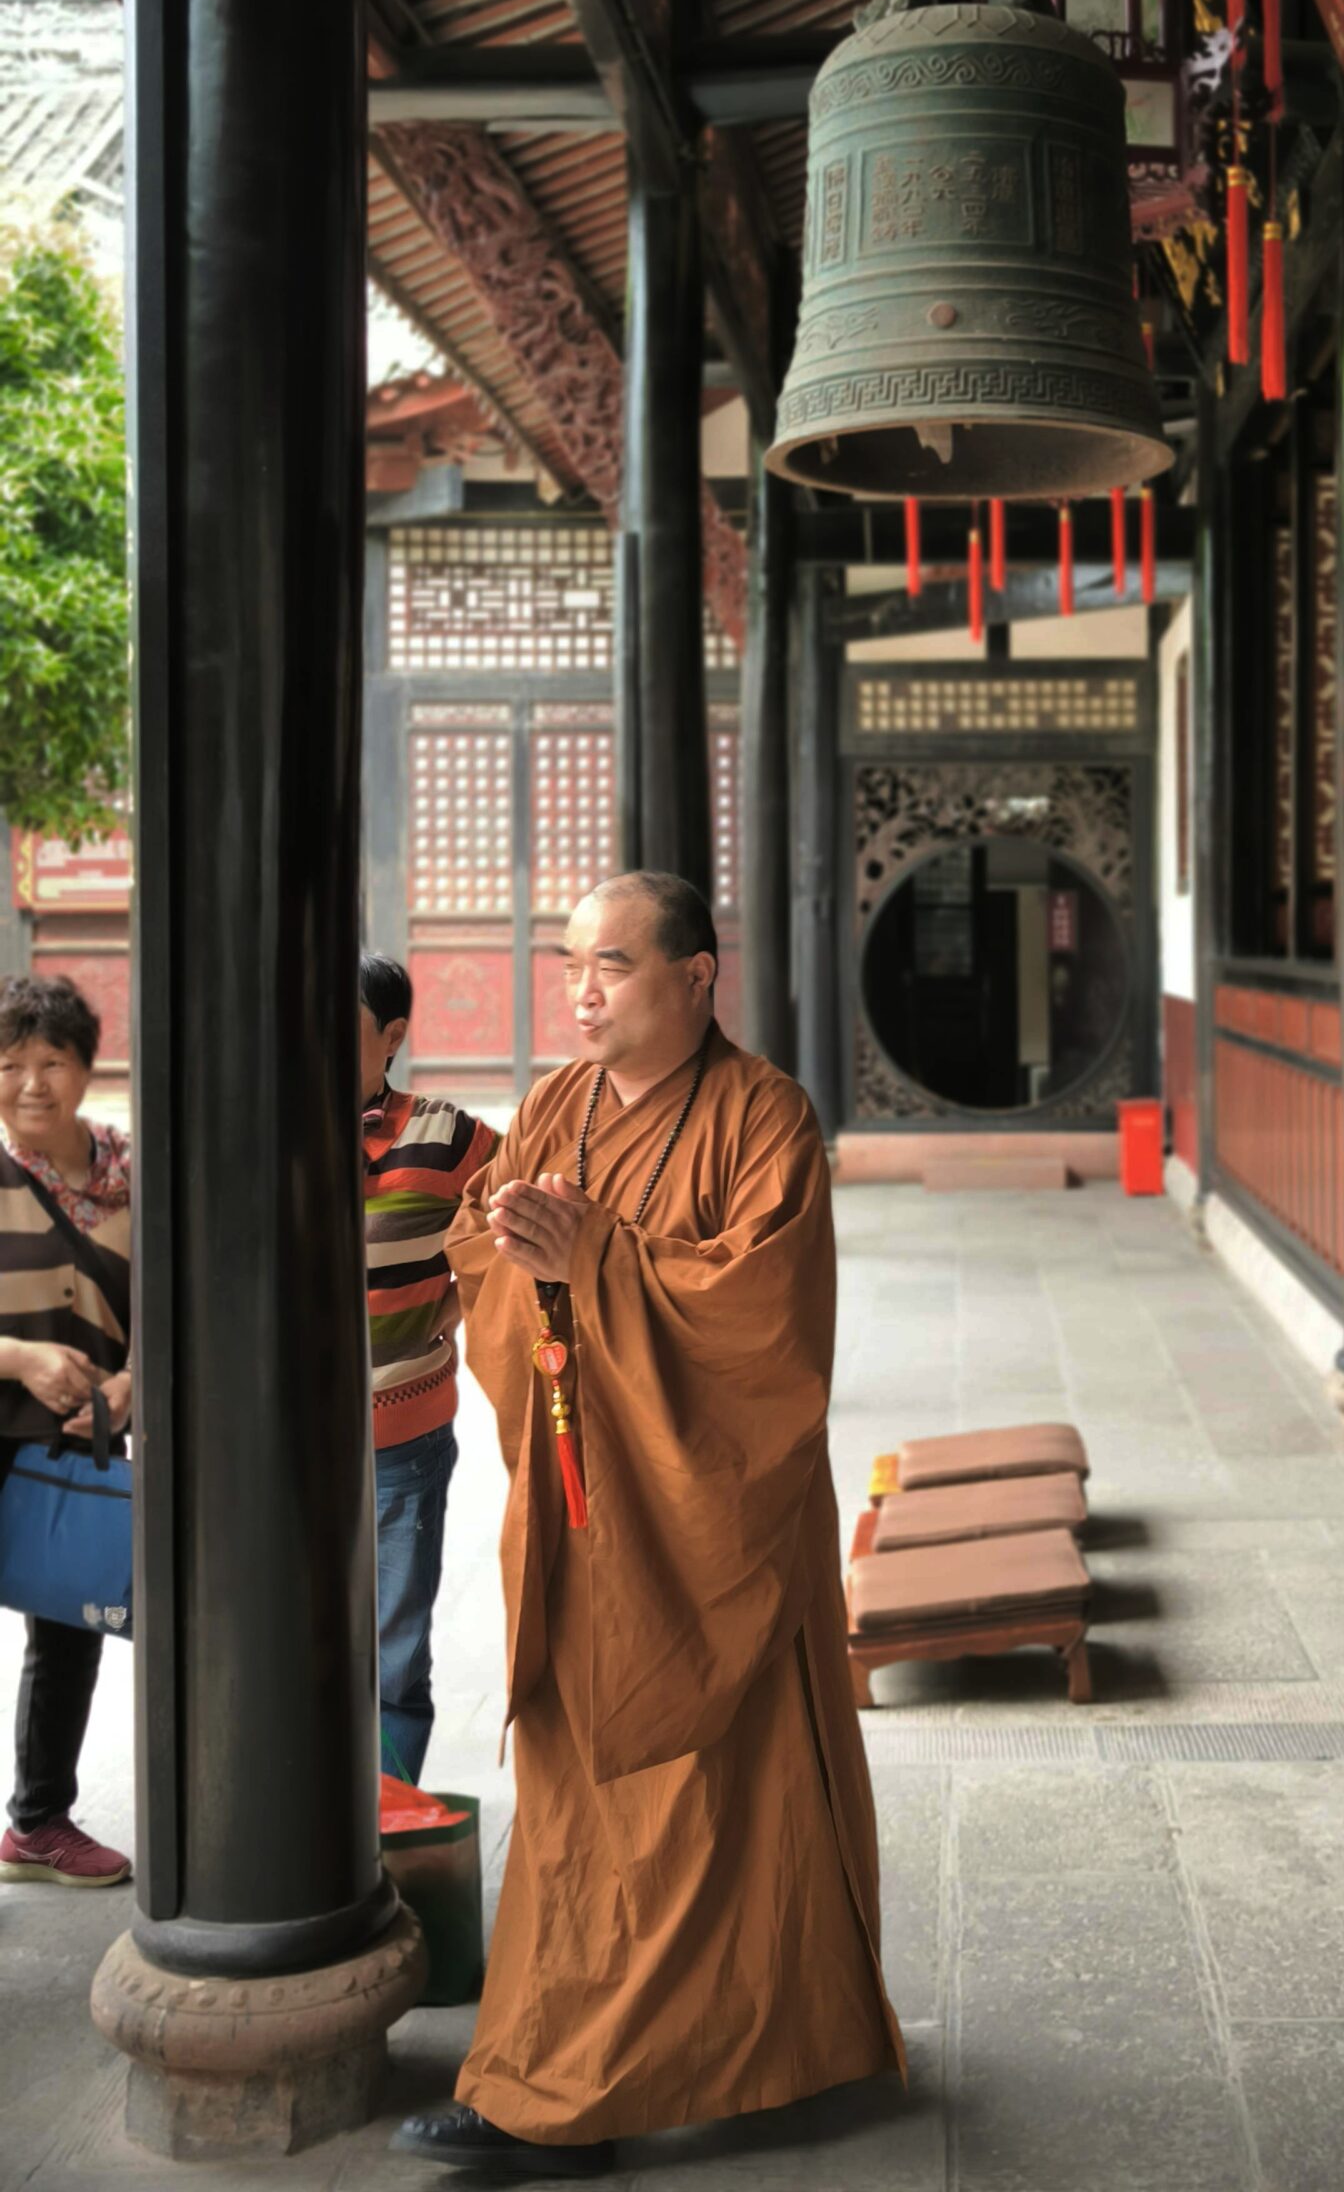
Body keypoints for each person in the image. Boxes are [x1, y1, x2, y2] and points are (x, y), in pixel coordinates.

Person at [393, 872, 902, 2177]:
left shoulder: (763, 1117)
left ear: (696, 977)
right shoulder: (557, 1104)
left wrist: (597, 1264)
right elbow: (482, 1252)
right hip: (584, 1515)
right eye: (572, 965)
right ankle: (596, 2059)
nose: (581, 990)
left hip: (722, 1516)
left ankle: (572, 2103)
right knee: (583, 1800)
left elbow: (768, 1330)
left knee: (734, 1802)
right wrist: (508, 1246)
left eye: (612, 965)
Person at [0, 975, 132, 1888]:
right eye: (10, 1066)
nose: (31, 1084)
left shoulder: (138, 1181)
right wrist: (21, 1360)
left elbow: (187, 1308)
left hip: (79, 1443)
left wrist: (132, 1389)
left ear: (88, 1071)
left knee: (68, 1627)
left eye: (52, 1062)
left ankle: (39, 1821)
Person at [362, 953, 498, 1786]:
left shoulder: (443, 1133)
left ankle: (388, 1822)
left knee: (393, 1650)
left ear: (392, 1036)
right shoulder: (260, 1128)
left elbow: (518, 1207)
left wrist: (463, 1296)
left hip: (401, 1437)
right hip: (276, 1450)